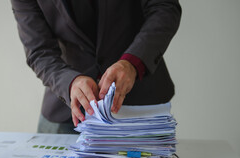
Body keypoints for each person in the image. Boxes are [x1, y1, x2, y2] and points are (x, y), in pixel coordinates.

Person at [10, 0, 181, 133]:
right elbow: (39, 51)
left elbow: (165, 8)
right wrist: (70, 82)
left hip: (140, 105)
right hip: (65, 112)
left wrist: (132, 63)